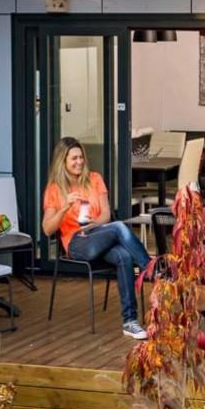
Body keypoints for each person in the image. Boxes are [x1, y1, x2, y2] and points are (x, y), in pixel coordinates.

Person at [41, 136, 153, 339]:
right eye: (73, 158)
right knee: (119, 226)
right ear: (63, 162)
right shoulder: (54, 190)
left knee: (124, 257)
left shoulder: (94, 179)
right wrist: (65, 206)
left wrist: (94, 225)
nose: (79, 162)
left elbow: (106, 215)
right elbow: (47, 230)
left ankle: (130, 321)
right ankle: (151, 269)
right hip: (76, 244)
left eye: (81, 157)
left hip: (97, 235)